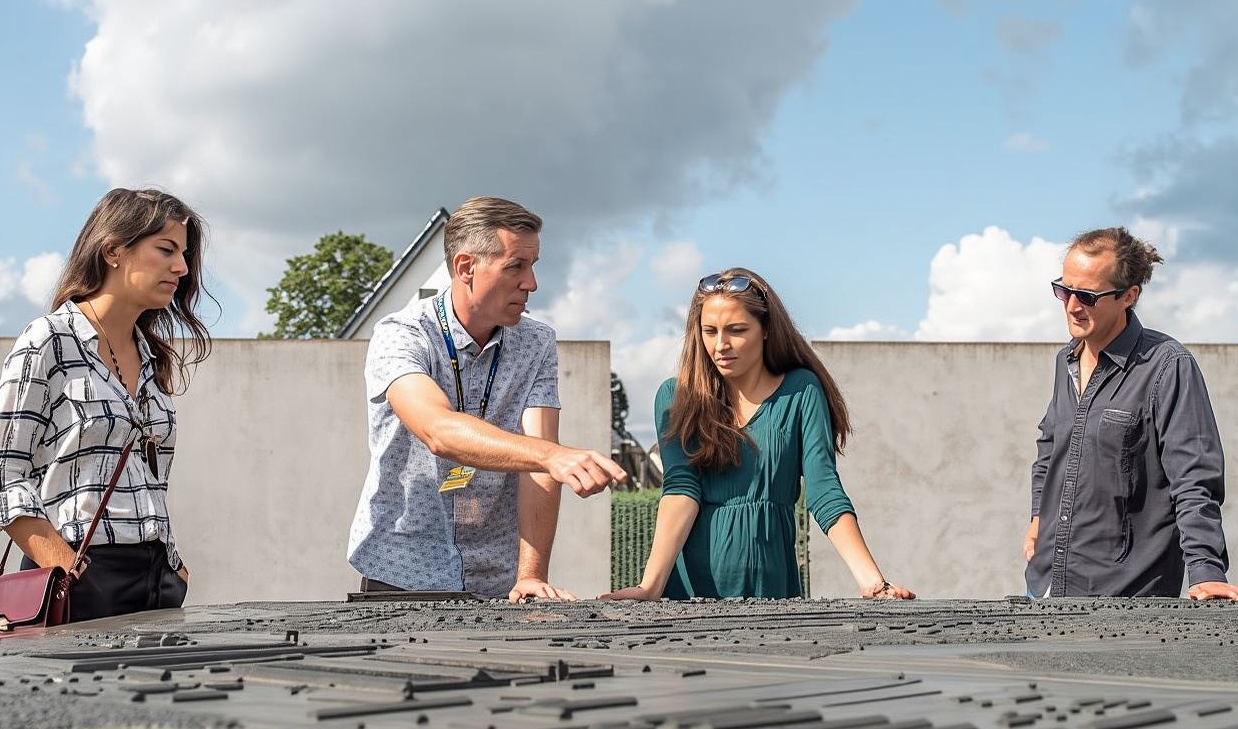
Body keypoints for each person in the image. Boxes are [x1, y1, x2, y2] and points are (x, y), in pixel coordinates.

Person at [347, 196, 626, 601]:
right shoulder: (401, 334)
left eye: (532, 265)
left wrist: (531, 575)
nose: (531, 283)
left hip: (496, 580)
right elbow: (438, 430)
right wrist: (551, 455)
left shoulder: (538, 342)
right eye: (516, 266)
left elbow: (539, 465)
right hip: (400, 572)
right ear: (466, 268)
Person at [602, 268, 913, 601]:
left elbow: (824, 490)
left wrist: (873, 582)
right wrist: (650, 586)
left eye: (736, 330)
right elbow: (681, 490)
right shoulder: (676, 397)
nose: (720, 345)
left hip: (773, 592)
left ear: (765, 329)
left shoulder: (801, 391)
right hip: (688, 596)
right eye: (709, 331)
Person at [0, 188, 211, 622]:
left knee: (159, 691)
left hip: (158, 579)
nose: (180, 267)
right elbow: (0, 475)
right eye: (166, 249)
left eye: (184, 253)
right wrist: (65, 566)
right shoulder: (49, 340)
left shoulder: (153, 356)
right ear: (113, 251)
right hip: (79, 578)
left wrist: (175, 566)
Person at [1024, 227, 1238, 600]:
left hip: (1128, 598)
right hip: (1048, 586)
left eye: (1087, 296)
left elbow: (1194, 478)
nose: (1072, 305)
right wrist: (1037, 518)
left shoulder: (1168, 367)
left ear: (1129, 296)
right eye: (1064, 290)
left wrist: (1206, 570)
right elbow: (1050, 448)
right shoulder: (1066, 361)